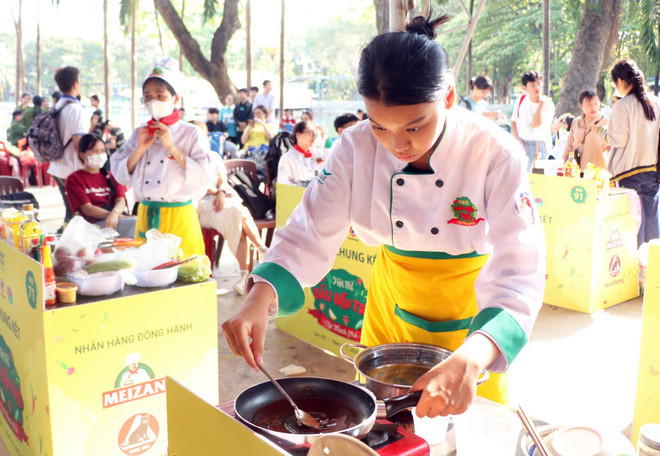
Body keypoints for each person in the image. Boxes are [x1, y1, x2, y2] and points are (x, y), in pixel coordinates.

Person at [222, 15, 545, 416]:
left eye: (414, 127)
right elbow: (310, 231)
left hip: (475, 318)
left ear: (448, 97)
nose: (397, 145)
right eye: (379, 126)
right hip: (391, 304)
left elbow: (520, 270)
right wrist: (260, 295)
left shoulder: (494, 153)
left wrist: (474, 355)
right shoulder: (355, 148)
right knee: (382, 424)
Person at [110, 57, 211, 255]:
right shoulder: (140, 133)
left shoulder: (191, 133)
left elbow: (204, 177)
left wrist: (172, 147)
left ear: (175, 98)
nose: (153, 101)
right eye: (147, 96)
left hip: (180, 216)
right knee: (148, 277)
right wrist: (140, 149)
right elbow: (118, 172)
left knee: (185, 274)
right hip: (146, 214)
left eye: (160, 95)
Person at [195, 142, 269, 295]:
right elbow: (192, 190)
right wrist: (216, 192)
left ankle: (245, 275)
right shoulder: (184, 159)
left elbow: (223, 180)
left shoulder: (213, 157)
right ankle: (261, 250)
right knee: (238, 212)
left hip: (221, 202)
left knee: (237, 216)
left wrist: (221, 192)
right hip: (200, 207)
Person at [600, 59, 660, 246]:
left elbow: (617, 140)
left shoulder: (623, 105)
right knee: (651, 225)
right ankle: (651, 271)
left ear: (620, 80)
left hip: (628, 173)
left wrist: (601, 132)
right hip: (651, 172)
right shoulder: (656, 102)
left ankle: (632, 270)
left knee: (631, 227)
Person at [65, 133, 136, 238]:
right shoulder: (74, 179)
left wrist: (115, 214)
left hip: (114, 219)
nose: (99, 154)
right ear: (82, 155)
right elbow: (87, 209)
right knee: (135, 223)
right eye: (94, 151)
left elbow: (120, 200)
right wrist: (115, 216)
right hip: (91, 226)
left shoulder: (110, 176)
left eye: (102, 151)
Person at [48, 66, 88, 222]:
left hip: (57, 167)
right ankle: (70, 243)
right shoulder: (76, 109)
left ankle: (67, 241)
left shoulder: (57, 106)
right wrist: (89, 168)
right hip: (73, 168)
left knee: (71, 210)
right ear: (75, 84)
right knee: (78, 213)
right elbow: (79, 143)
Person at [510, 71, 555, 173]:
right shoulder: (521, 100)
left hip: (539, 146)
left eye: (538, 84)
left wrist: (540, 104)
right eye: (532, 85)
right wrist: (516, 138)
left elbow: (536, 124)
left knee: (538, 181)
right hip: (523, 144)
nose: (537, 88)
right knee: (521, 178)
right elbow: (513, 122)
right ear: (525, 88)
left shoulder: (548, 104)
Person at [562, 90, 608, 170]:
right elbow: (569, 147)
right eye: (589, 105)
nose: (593, 108)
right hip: (577, 172)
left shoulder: (606, 122)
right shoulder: (575, 123)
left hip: (597, 173)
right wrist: (562, 166)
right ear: (581, 106)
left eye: (596, 104)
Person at [277, 121, 329, 186]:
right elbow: (283, 184)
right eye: (310, 132)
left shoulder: (316, 153)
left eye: (315, 133)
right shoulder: (287, 158)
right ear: (298, 135)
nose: (314, 136)